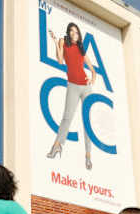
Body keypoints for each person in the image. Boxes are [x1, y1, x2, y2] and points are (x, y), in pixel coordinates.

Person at [46, 22, 98, 170]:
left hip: (86, 87)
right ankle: (57, 146)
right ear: (68, 33)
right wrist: (56, 42)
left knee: (87, 121)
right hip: (73, 85)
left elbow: (93, 70)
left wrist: (92, 79)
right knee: (67, 117)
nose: (74, 34)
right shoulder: (64, 42)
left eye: (76, 32)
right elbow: (60, 60)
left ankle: (88, 156)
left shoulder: (81, 49)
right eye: (72, 32)